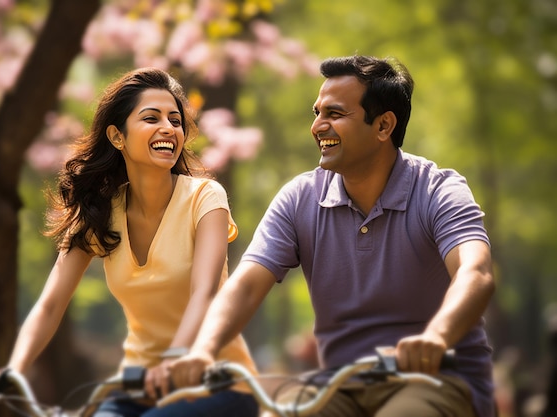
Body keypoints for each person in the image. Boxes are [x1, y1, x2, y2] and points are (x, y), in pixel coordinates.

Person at [170, 55, 496, 417]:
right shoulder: (300, 197)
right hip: (340, 385)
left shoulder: (439, 190)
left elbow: (476, 272)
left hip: (437, 380)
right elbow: (245, 286)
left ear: (384, 126)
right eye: (317, 113)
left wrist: (437, 336)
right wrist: (203, 349)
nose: (318, 126)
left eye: (335, 114)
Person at [0, 68, 258, 417]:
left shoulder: (205, 197)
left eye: (175, 119)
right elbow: (51, 304)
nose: (169, 127)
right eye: (151, 118)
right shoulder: (101, 212)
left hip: (218, 386)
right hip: (137, 390)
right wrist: (14, 370)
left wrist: (175, 359)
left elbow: (206, 291)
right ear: (117, 136)